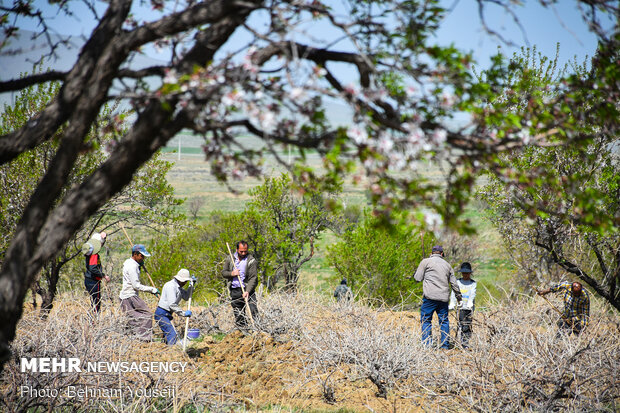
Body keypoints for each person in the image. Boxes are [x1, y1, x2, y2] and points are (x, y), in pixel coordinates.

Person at [413, 245, 462, 349]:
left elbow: (417, 278)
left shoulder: (425, 262)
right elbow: (454, 284)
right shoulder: (447, 265)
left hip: (429, 297)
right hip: (443, 299)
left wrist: (418, 271)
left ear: (432, 253)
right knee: (444, 321)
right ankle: (445, 346)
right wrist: (459, 297)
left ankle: (427, 345)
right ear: (441, 254)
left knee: (426, 320)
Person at [119, 244, 159, 341]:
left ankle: (133, 336)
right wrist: (152, 289)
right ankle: (143, 338)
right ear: (135, 254)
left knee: (133, 317)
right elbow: (136, 285)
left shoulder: (130, 263)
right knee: (146, 315)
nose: (143, 258)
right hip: (129, 296)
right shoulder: (132, 267)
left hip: (127, 296)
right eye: (141, 256)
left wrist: (139, 266)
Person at [222, 241, 258, 331]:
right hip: (235, 290)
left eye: (245, 251)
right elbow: (224, 273)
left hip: (247, 289)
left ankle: (258, 330)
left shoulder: (251, 261)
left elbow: (253, 278)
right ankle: (243, 333)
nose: (243, 253)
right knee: (239, 314)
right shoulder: (230, 259)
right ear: (237, 250)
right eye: (241, 251)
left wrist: (247, 291)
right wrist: (232, 273)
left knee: (253, 310)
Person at [154, 269, 196, 345]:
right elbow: (172, 304)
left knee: (167, 336)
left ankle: (165, 352)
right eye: (185, 281)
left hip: (167, 314)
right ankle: (172, 353)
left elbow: (186, 297)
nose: (185, 283)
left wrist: (191, 286)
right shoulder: (171, 286)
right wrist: (183, 313)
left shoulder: (179, 287)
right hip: (161, 314)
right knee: (171, 334)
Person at [449, 262, 477, 348]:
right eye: (464, 273)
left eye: (467, 273)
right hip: (460, 307)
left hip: (469, 308)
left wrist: (470, 302)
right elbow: (454, 293)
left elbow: (473, 293)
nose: (465, 275)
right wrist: (453, 303)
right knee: (461, 324)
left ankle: (465, 343)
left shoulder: (473, 283)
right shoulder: (458, 282)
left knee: (467, 324)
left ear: (470, 273)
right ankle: (459, 342)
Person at [82, 231, 109, 314]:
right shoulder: (94, 255)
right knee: (96, 304)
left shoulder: (89, 253)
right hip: (93, 281)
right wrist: (103, 275)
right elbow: (93, 268)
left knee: (94, 302)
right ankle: (94, 323)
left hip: (88, 280)